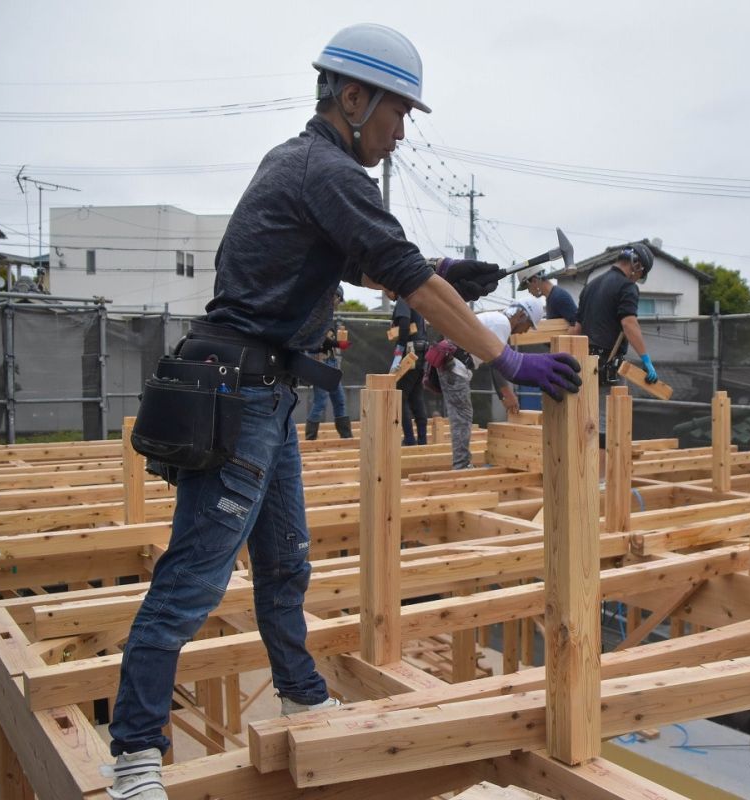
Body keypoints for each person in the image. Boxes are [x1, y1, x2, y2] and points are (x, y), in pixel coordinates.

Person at [104, 24, 580, 800]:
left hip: (260, 393)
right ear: (352, 98)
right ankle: (132, 755)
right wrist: (506, 358)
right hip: (239, 394)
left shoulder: (299, 165)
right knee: (194, 577)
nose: (397, 137)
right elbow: (404, 280)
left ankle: (298, 690)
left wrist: (442, 270)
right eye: (397, 116)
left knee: (286, 560)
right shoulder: (328, 172)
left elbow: (365, 262)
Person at [570, 242, 658, 449]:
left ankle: (587, 475)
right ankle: (602, 479)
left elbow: (576, 329)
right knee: (609, 424)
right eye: (641, 273)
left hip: (584, 363)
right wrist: (646, 359)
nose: (637, 278)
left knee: (586, 419)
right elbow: (629, 323)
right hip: (607, 365)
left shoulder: (591, 286)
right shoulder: (627, 287)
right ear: (637, 265)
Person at [437, 297, 543, 469]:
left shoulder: (497, 320)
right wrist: (507, 394)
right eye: (528, 325)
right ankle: (461, 466)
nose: (525, 331)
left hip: (452, 363)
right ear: (522, 315)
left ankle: (461, 464)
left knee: (461, 415)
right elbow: (496, 363)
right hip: (455, 366)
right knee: (462, 416)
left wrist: (504, 395)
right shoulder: (502, 324)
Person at [304, 286, 352, 440]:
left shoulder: (326, 315)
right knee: (321, 401)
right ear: (334, 296)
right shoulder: (319, 313)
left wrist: (337, 343)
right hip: (321, 363)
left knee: (339, 400)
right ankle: (311, 437)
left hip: (329, 363)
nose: (338, 302)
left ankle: (346, 436)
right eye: (338, 298)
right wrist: (338, 344)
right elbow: (320, 340)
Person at [389, 295, 429, 446]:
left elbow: (404, 324)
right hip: (422, 351)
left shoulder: (403, 297)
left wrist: (398, 354)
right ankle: (422, 440)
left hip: (411, 351)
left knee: (400, 396)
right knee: (416, 395)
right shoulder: (416, 297)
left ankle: (410, 439)